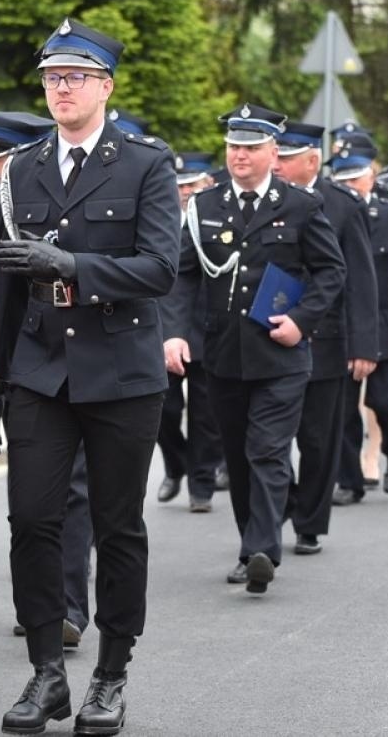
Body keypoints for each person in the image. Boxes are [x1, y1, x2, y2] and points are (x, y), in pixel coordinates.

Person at [0, 19, 178, 736]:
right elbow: (7, 282)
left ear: (105, 86)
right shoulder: (25, 166)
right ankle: (46, 671)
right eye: (52, 77)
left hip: (122, 371)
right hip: (40, 371)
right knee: (32, 520)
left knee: (116, 526)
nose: (61, 89)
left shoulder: (145, 164)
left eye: (76, 77)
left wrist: (75, 267)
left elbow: (160, 269)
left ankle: (111, 672)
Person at [167, 104, 345, 594]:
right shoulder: (204, 206)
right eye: (233, 146)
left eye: (249, 147)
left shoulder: (301, 206)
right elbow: (184, 274)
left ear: (273, 152)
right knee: (240, 456)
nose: (239, 155)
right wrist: (175, 332)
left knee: (267, 450)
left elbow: (332, 272)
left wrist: (302, 322)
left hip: (280, 355)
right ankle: (252, 542)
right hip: (222, 354)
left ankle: (263, 549)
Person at [0, 112, 92, 655]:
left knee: (76, 488)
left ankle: (66, 606)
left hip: (77, 356)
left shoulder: (64, 196)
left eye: (2, 159)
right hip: (21, 363)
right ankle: (40, 603)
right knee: (31, 498)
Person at [270, 123, 377, 552]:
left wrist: (364, 345)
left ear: (312, 161)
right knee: (270, 437)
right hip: (271, 334)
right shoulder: (265, 198)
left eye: (286, 158)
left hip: (326, 339)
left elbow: (360, 280)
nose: (276, 164)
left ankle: (310, 522)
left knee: (318, 438)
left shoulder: (342, 205)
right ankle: (285, 502)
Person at [328, 143, 388, 503]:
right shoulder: (325, 213)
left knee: (386, 402)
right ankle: (350, 480)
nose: (353, 186)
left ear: (372, 177)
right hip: (340, 327)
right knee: (341, 410)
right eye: (345, 180)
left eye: (359, 178)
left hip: (387, 325)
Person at [155, 151, 227, 512]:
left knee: (206, 412)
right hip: (163, 328)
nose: (184, 192)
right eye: (179, 186)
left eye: (192, 185)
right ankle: (176, 463)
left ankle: (202, 482)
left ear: (208, 184)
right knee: (162, 412)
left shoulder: (215, 215)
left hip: (206, 327)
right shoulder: (160, 216)